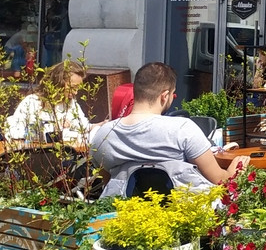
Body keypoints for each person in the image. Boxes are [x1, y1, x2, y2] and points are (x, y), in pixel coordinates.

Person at [91, 62, 240, 198]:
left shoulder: (104, 135)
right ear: (165, 96)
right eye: (173, 95)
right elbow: (220, 181)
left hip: (125, 217)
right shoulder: (182, 129)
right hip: (183, 216)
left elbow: (108, 183)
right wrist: (236, 167)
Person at [5, 59, 94, 145]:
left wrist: (101, 126)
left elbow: (84, 127)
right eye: (72, 87)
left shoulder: (71, 104)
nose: (75, 92)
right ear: (59, 82)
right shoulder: (32, 102)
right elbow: (13, 132)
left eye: (77, 88)